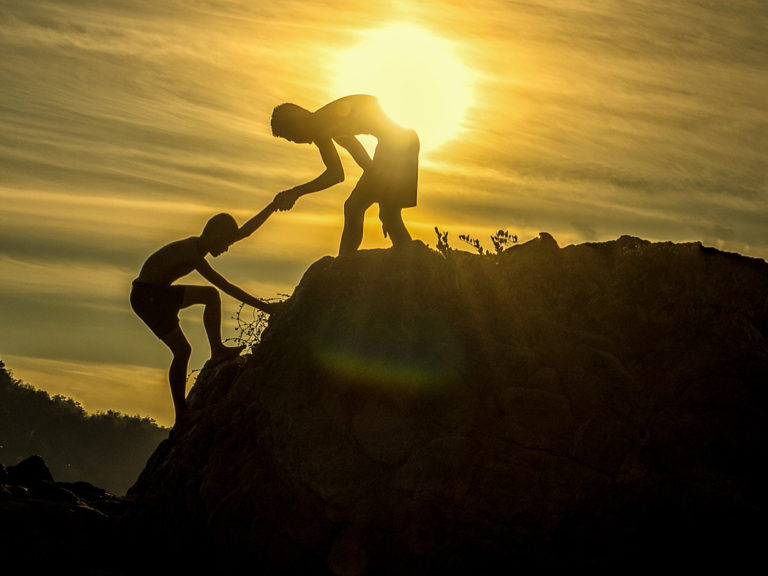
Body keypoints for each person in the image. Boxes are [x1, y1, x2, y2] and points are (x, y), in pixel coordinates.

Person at [130, 202, 277, 424]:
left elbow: (244, 233)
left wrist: (273, 206)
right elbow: (225, 285)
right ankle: (182, 415)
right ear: (215, 235)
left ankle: (217, 350)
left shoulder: (202, 247)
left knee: (210, 296)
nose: (227, 248)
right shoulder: (191, 253)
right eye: (226, 243)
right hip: (148, 298)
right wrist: (266, 308)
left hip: (159, 292)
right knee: (182, 351)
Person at [270, 94, 420, 255]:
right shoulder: (324, 122)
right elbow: (360, 156)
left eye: (292, 137)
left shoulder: (319, 126)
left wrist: (296, 192)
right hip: (403, 143)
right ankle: (408, 260)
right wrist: (380, 190)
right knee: (387, 215)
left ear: (296, 125)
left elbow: (336, 174)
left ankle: (344, 263)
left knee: (355, 207)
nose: (296, 141)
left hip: (397, 147)